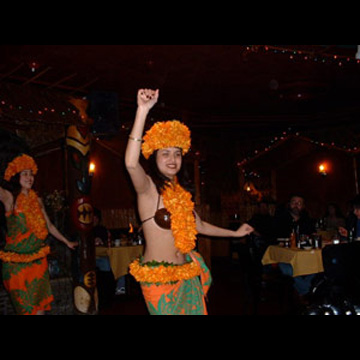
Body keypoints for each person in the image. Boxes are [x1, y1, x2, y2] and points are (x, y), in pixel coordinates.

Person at [125, 88, 254, 315]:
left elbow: (200, 226)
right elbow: (131, 164)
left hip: (186, 273)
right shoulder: (147, 189)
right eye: (164, 153)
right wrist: (142, 111)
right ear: (154, 157)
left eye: (177, 153)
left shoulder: (181, 195)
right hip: (159, 281)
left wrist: (234, 234)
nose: (172, 159)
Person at [0, 153, 77, 315]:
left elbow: (49, 226)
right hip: (17, 265)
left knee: (40, 308)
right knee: (26, 309)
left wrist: (67, 242)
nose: (29, 178)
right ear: (16, 176)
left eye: (31, 174)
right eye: (25, 174)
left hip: (38, 262)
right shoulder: (10, 198)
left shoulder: (38, 200)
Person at [273, 194, 316, 300]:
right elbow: (272, 237)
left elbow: (312, 235)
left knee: (318, 266)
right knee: (287, 270)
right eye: (294, 202)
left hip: (304, 257)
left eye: (299, 203)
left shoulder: (307, 220)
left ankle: (303, 291)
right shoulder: (280, 219)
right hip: (284, 258)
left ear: (303, 206)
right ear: (289, 204)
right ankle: (307, 292)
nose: (296, 205)